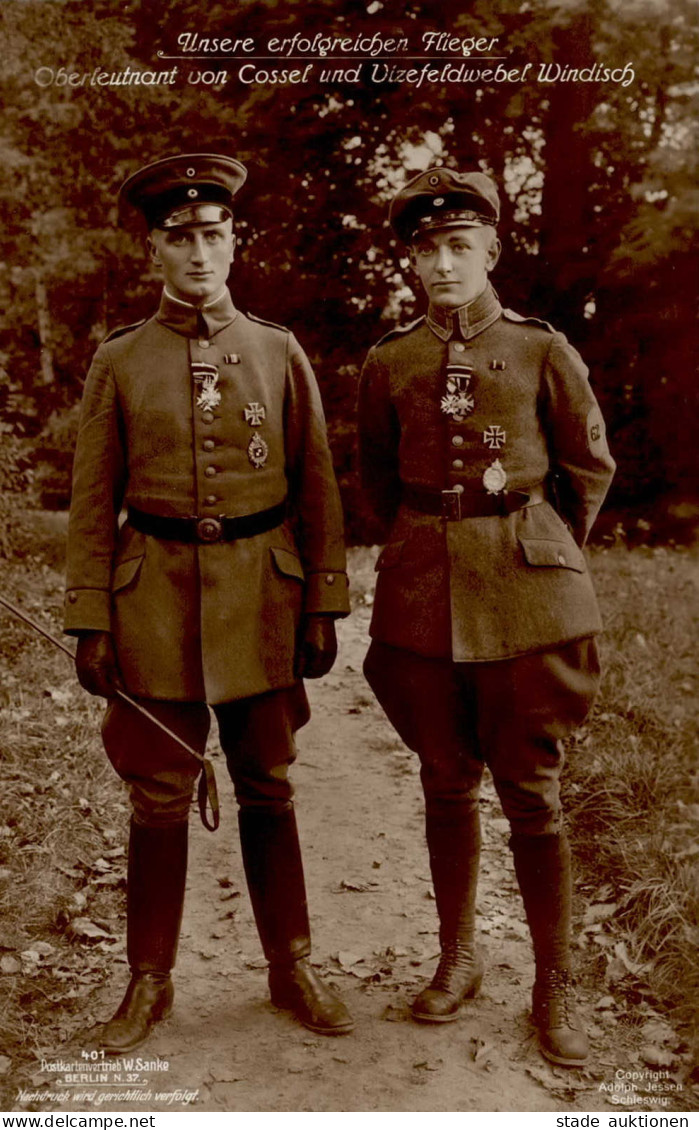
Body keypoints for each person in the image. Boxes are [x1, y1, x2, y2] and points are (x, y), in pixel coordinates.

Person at [64, 153, 353, 1052]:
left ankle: (291, 965)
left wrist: (323, 602)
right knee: (156, 797)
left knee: (268, 783)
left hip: (263, 595)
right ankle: (148, 982)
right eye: (181, 237)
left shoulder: (275, 349)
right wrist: (91, 617)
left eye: (214, 235)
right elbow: (90, 499)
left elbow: (316, 482)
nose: (199, 252)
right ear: (154, 248)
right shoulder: (120, 360)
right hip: (151, 595)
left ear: (235, 241)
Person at [357, 167, 615, 1067]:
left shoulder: (542, 349)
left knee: (532, 796)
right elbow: (378, 481)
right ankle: (458, 957)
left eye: (457, 246)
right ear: (410, 261)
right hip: (424, 595)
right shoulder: (388, 361)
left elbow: (586, 465)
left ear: (490, 252)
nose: (440, 264)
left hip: (528, 595)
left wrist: (536, 544)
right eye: (424, 250)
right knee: (442, 780)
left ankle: (555, 986)